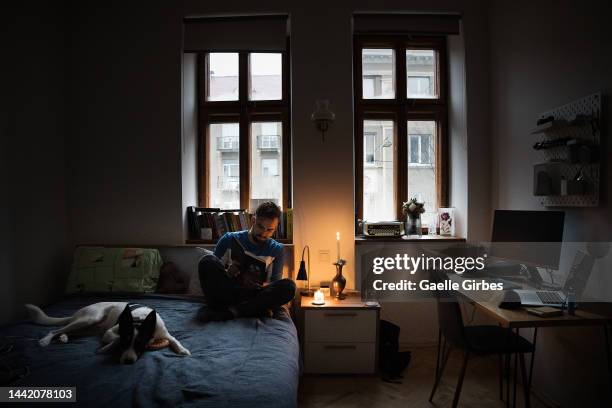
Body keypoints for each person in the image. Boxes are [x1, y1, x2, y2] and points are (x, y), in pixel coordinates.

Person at [197, 202, 296, 322]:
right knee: (207, 261)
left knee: (289, 286)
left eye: (270, 230)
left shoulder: (277, 249)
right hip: (228, 291)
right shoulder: (229, 239)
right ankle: (250, 310)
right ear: (253, 220)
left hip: (255, 295)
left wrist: (260, 285)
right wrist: (228, 272)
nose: (264, 233)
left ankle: (232, 312)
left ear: (275, 228)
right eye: (260, 227)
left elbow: (274, 283)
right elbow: (213, 275)